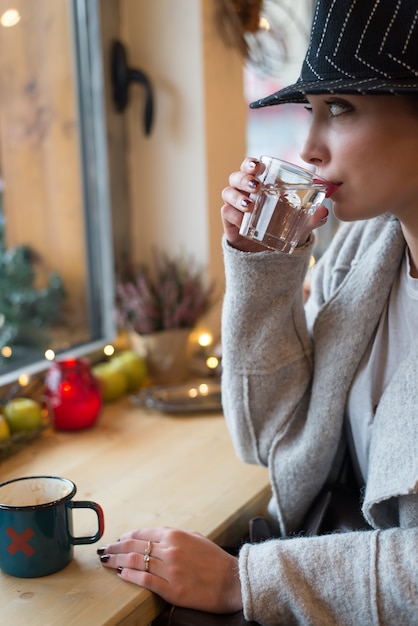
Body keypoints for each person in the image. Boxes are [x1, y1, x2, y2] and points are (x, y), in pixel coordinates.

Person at [98, 1, 418, 623]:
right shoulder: (362, 251)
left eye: (341, 110)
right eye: (311, 112)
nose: (309, 147)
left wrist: (243, 582)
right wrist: (264, 264)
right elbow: (269, 439)